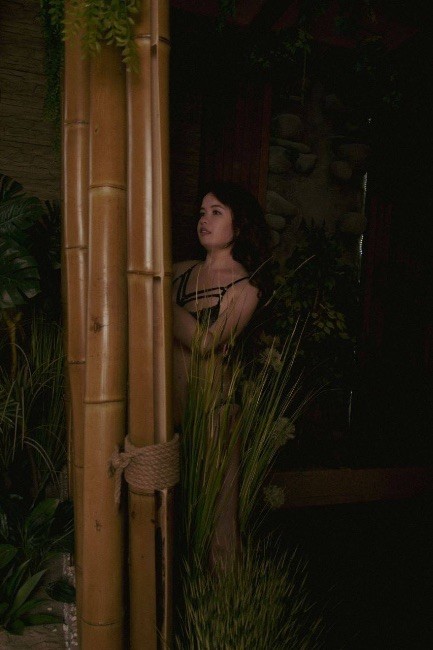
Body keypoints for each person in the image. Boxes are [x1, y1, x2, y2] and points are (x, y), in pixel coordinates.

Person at [172, 181, 272, 563]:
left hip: (214, 413)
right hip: (170, 412)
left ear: (239, 225)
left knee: (219, 526)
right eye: (202, 212)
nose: (205, 220)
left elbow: (205, 343)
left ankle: (224, 593)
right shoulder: (180, 272)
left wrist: (157, 302)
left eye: (216, 212)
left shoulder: (245, 287)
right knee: (172, 518)